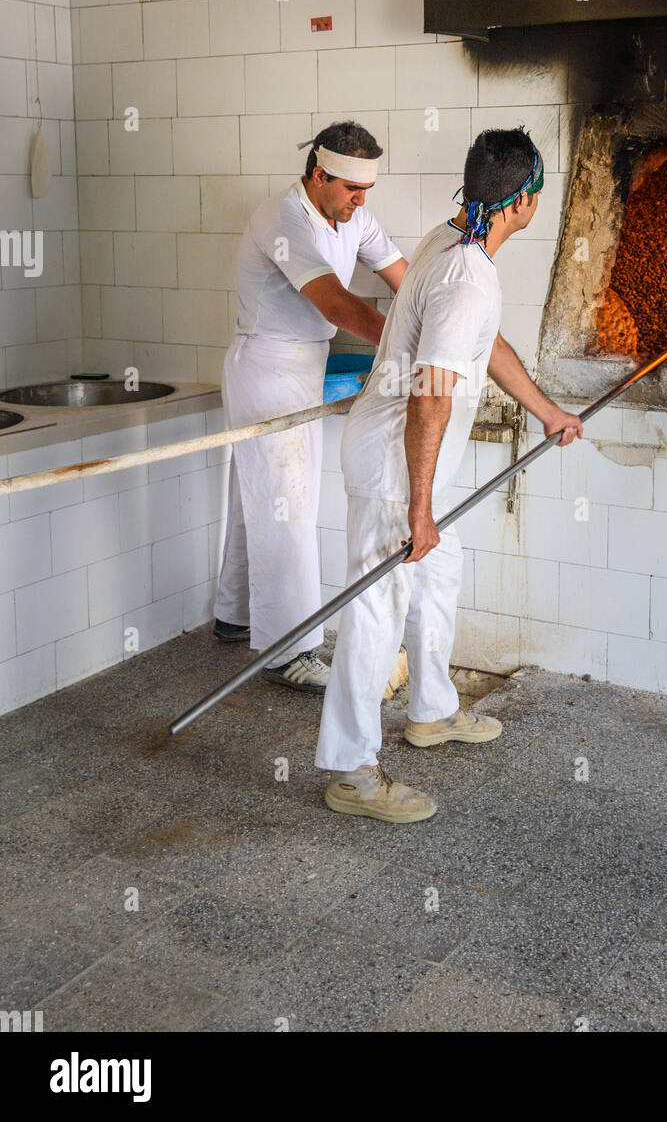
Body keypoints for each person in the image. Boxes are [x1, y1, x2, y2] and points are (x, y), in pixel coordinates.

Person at [315, 127, 584, 820]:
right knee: (376, 607)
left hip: (403, 462)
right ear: (522, 201)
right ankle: (352, 770)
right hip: (391, 467)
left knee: (440, 572)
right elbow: (431, 395)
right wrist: (419, 509)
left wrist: (547, 410)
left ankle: (431, 711)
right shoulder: (466, 274)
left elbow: (483, 343)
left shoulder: (452, 240)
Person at [213, 121, 408, 694]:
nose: (361, 201)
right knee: (285, 504)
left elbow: (403, 277)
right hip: (267, 366)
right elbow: (339, 305)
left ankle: (235, 614)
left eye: (367, 189)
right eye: (351, 188)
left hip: (303, 363)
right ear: (319, 175)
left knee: (253, 495)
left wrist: (437, 308)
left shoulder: (353, 215)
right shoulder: (283, 220)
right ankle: (288, 650)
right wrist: (411, 343)